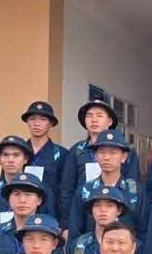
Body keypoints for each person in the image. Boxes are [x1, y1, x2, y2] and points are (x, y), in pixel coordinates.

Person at [60, 99, 141, 238]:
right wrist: (66, 225)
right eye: (89, 115)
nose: (94, 120)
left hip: (119, 212)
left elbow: (132, 185)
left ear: (110, 121)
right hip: (85, 212)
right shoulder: (77, 150)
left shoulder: (126, 150)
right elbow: (67, 189)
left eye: (99, 115)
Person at [68, 130, 148, 239]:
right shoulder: (85, 190)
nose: (106, 157)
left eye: (113, 152)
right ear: (96, 156)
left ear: (124, 157)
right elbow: (75, 232)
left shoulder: (136, 191)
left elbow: (144, 232)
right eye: (102, 152)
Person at [65, 185, 135, 254]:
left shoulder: (131, 245)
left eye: (109, 206)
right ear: (91, 210)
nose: (103, 210)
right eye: (97, 205)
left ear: (119, 210)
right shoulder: (77, 245)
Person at [22, 100, 69, 220]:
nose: (37, 123)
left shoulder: (62, 154)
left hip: (51, 215)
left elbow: (65, 191)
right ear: (27, 122)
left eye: (43, 119)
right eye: (32, 119)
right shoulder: (18, 152)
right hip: (22, 212)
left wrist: (63, 221)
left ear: (51, 123)